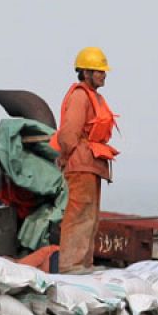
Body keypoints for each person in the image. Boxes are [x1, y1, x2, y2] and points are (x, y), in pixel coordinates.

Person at [52, 46, 118, 274]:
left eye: (103, 71)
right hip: (80, 163)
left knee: (90, 216)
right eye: (99, 71)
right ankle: (71, 265)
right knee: (78, 214)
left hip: (91, 164)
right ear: (85, 72)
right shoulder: (80, 97)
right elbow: (69, 133)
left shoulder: (94, 97)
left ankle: (84, 263)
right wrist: (64, 157)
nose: (104, 75)